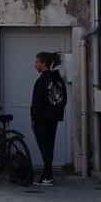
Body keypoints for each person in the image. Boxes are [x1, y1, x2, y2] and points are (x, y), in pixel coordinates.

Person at [30, 51, 68, 186]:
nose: (35, 65)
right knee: (49, 146)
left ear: (43, 64)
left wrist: (33, 117)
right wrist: (58, 112)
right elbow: (64, 99)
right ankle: (47, 174)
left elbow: (37, 102)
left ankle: (48, 175)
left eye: (37, 62)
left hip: (42, 119)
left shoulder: (42, 81)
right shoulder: (58, 79)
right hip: (54, 118)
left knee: (44, 147)